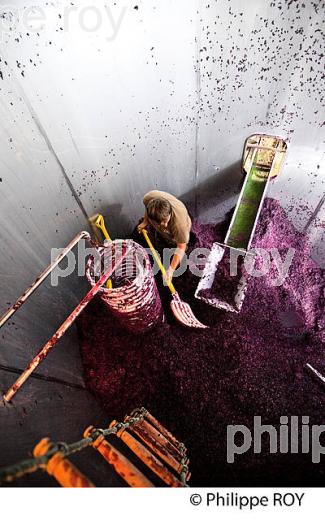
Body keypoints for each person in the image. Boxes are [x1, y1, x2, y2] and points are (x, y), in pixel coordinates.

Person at [137, 190, 192, 283]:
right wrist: (145, 222)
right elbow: (147, 209)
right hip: (161, 219)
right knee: (162, 231)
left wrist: (170, 270)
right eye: (160, 223)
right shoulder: (149, 198)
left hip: (181, 226)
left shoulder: (179, 226)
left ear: (169, 212)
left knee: (177, 242)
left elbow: (181, 247)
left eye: (166, 221)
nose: (165, 225)